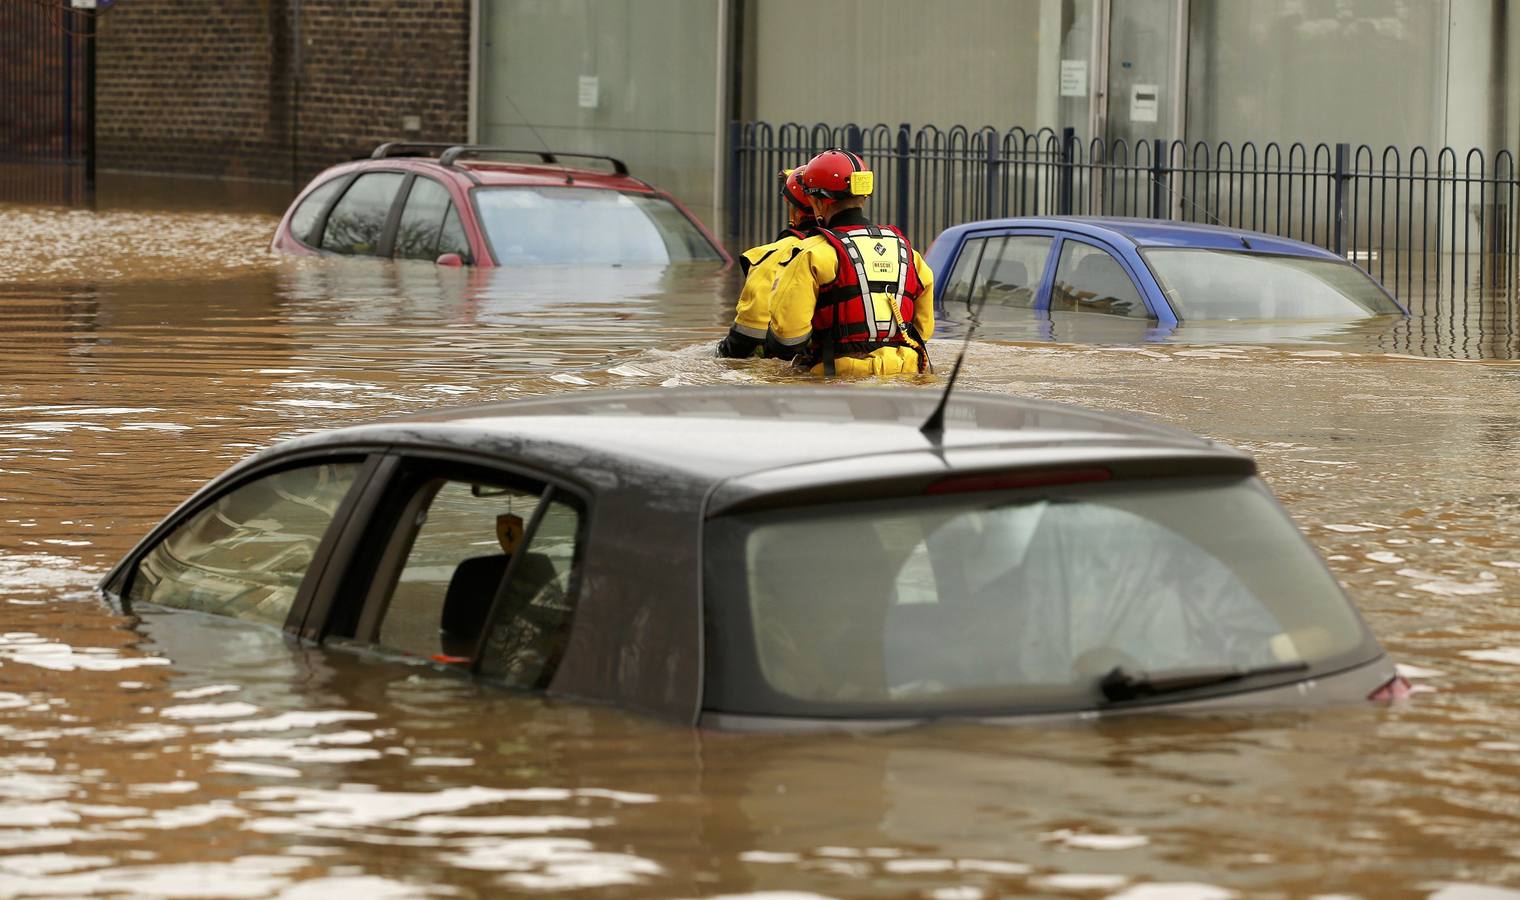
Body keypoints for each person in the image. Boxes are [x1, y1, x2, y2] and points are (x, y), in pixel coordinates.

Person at [764, 148, 935, 376]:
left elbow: (788, 337)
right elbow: (923, 330)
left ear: (817, 202)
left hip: (838, 378)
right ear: (863, 197)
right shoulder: (909, 252)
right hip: (905, 373)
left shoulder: (811, 254)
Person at [714, 168, 818, 358]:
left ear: (791, 206)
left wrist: (722, 353)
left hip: (791, 369)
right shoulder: (853, 247)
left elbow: (747, 334)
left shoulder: (774, 255)